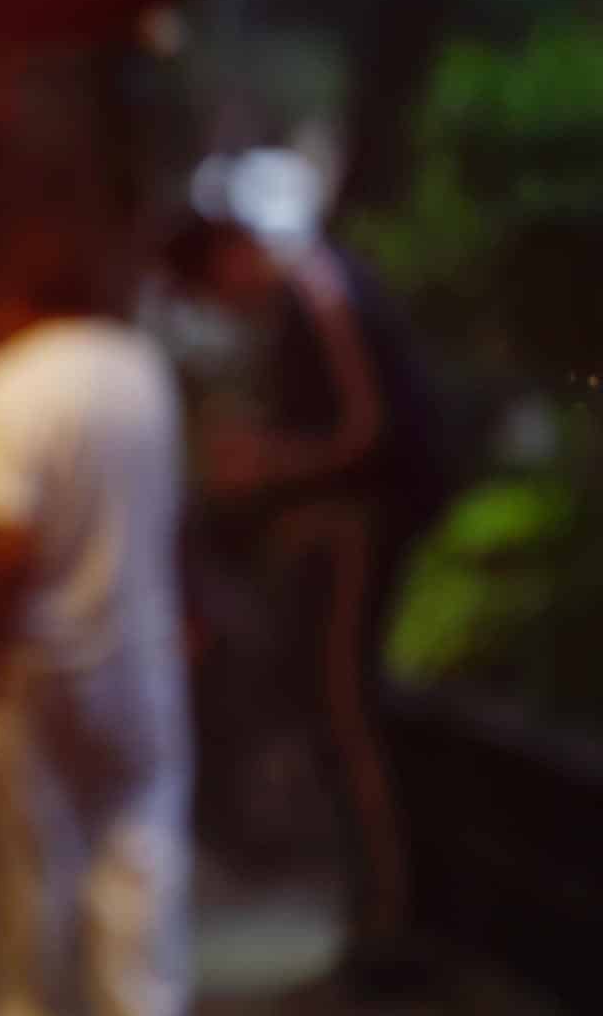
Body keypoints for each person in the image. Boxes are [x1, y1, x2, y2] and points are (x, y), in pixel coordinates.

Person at [161, 212, 454, 992]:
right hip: (335, 530)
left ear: (230, 255)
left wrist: (266, 462)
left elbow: (366, 427)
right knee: (335, 719)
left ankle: (386, 931)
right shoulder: (303, 295)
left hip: (356, 529)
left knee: (347, 717)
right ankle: (371, 925)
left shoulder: (317, 288)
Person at [0, 223, 191, 1016]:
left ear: (16, 301)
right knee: (140, 851)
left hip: (36, 658)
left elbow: (6, 540)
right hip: (141, 649)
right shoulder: (144, 370)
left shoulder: (8, 382)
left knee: (26, 869)